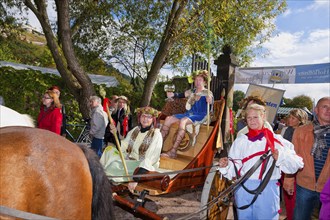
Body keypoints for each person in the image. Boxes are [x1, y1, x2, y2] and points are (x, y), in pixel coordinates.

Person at [218, 104, 304, 220]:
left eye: (255, 117)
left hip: (267, 190)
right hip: (243, 188)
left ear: (263, 117)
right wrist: (227, 165)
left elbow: (296, 164)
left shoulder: (276, 140)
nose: (252, 121)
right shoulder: (240, 141)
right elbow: (235, 167)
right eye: (249, 118)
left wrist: (281, 156)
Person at [284, 97, 330, 220]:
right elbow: (292, 157)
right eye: (324, 106)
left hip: (328, 187)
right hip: (304, 185)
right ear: (316, 110)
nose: (328, 110)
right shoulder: (301, 131)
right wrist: (288, 179)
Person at [100, 106, 162, 192]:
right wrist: (115, 134)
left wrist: (136, 179)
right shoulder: (135, 130)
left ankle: (107, 176)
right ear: (139, 117)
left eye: (149, 117)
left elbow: (150, 158)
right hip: (130, 159)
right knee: (109, 149)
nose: (145, 119)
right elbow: (123, 146)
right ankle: (101, 170)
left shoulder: (156, 134)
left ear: (153, 119)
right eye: (143, 116)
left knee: (113, 166)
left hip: (144, 166)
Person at [160, 70, 213, 158]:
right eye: (196, 80)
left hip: (201, 115)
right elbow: (180, 95)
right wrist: (172, 94)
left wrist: (209, 100)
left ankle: (173, 151)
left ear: (204, 82)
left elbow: (211, 102)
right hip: (189, 114)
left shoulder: (208, 93)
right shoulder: (192, 91)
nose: (197, 82)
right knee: (168, 119)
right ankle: (157, 147)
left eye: (200, 80)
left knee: (183, 120)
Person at [279, 109, 308, 220]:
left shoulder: (304, 132)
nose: (289, 120)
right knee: (286, 193)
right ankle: (290, 215)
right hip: (285, 165)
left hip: (298, 167)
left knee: (295, 194)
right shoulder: (285, 130)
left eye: (293, 118)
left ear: (300, 120)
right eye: (289, 117)